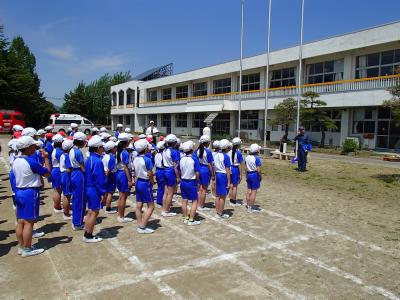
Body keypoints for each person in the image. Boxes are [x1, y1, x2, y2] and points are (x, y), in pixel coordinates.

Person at [13, 136, 51, 257]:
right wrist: (46, 159)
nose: (35, 148)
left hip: (19, 191)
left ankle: (22, 246)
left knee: (21, 221)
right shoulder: (31, 161)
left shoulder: (16, 160)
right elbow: (47, 173)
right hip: (30, 192)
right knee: (29, 222)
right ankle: (27, 249)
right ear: (28, 148)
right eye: (33, 146)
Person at [84, 136, 106, 242]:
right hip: (93, 189)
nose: (103, 149)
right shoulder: (97, 161)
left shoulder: (89, 159)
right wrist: (102, 192)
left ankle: (87, 232)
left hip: (88, 187)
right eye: (101, 147)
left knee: (90, 212)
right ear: (98, 148)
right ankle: (88, 235)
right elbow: (99, 179)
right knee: (94, 212)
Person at [133, 139, 155, 234]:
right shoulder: (147, 159)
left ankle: (139, 223)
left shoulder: (135, 158)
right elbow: (150, 173)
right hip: (145, 183)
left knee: (139, 205)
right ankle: (143, 225)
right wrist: (152, 182)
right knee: (151, 206)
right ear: (145, 149)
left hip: (138, 182)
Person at [177, 141, 201, 225]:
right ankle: (191, 219)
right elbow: (197, 172)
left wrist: (179, 177)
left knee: (184, 200)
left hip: (183, 181)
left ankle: (186, 217)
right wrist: (197, 182)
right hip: (191, 182)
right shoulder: (194, 159)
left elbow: (178, 169)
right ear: (192, 149)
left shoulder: (181, 159)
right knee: (194, 201)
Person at [69, 132, 87, 230]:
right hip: (79, 174)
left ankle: (76, 220)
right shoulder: (78, 152)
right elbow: (83, 167)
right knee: (80, 199)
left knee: (76, 197)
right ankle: (78, 223)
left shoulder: (72, 149)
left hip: (74, 173)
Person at [115, 133, 133, 223]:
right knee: (123, 196)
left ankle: (120, 214)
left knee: (121, 196)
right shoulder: (124, 152)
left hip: (118, 173)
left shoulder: (118, 150)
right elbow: (126, 167)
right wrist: (129, 180)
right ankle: (121, 216)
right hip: (123, 174)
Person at [161, 134, 180, 217]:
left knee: (166, 191)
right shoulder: (174, 151)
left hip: (164, 170)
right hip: (170, 171)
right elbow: (175, 165)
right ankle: (166, 210)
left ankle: (164, 208)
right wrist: (178, 176)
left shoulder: (164, 150)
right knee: (171, 193)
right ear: (174, 142)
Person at [213, 139, 231, 219]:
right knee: (223, 196)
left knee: (217, 195)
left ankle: (217, 211)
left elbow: (214, 167)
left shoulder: (216, 155)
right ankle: (220, 213)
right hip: (223, 175)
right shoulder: (226, 156)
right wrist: (229, 182)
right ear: (226, 147)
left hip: (218, 174)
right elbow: (227, 169)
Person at [195, 135, 214, 211]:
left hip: (198, 169)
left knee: (199, 189)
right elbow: (210, 164)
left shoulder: (196, 150)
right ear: (207, 143)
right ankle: (201, 205)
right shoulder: (208, 151)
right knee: (204, 189)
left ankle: (198, 204)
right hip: (205, 170)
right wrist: (212, 174)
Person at [245, 144, 262, 213]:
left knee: (249, 190)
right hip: (254, 174)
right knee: (254, 192)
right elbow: (258, 169)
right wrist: (260, 176)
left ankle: (248, 205)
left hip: (248, 174)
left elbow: (246, 167)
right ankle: (251, 207)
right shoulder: (257, 158)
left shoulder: (247, 157)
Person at [102, 141, 118, 214]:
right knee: (110, 193)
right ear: (112, 149)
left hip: (105, 174)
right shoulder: (112, 158)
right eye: (115, 147)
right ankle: (108, 208)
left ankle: (103, 204)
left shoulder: (105, 156)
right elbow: (109, 169)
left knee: (106, 192)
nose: (116, 149)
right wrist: (106, 178)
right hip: (110, 175)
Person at [228, 137, 244, 206]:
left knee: (231, 185)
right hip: (235, 169)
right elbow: (240, 164)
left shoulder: (229, 151)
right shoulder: (238, 152)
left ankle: (231, 199)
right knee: (235, 186)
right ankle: (233, 201)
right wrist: (241, 174)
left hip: (229, 168)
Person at [51, 134, 64, 214]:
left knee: (56, 190)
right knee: (58, 190)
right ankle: (57, 206)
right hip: (58, 170)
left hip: (55, 170)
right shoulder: (59, 151)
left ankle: (57, 205)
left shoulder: (55, 150)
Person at [60, 139, 73, 220]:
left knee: (65, 195)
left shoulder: (62, 155)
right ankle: (66, 213)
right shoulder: (67, 156)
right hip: (66, 176)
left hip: (62, 175)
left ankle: (66, 212)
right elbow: (69, 169)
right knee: (67, 196)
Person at [154, 141, 165, 208]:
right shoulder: (162, 155)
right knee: (162, 187)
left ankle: (160, 199)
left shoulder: (157, 154)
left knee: (160, 186)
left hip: (158, 170)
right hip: (162, 170)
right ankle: (160, 201)